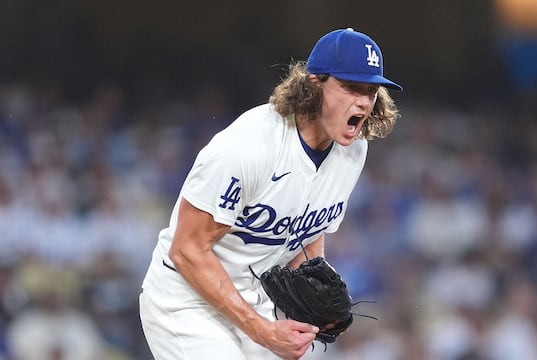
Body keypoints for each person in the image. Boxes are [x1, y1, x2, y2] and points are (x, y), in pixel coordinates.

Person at [138, 27, 402, 360]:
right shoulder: (248, 148)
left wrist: (314, 290)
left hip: (254, 297)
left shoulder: (353, 151)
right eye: (351, 87)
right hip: (186, 300)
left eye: (371, 90)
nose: (364, 101)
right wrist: (261, 330)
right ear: (313, 84)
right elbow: (187, 249)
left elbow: (307, 234)